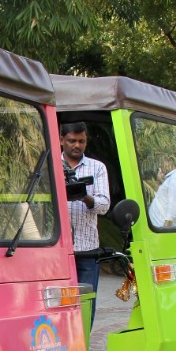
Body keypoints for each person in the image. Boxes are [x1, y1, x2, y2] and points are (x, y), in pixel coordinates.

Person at [60, 122, 110, 324]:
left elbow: (105, 205)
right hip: (57, 251)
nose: (77, 145)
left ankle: (83, 350)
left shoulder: (97, 168)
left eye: (82, 141)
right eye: (72, 140)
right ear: (61, 139)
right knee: (58, 306)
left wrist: (84, 197)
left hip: (87, 250)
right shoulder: (50, 164)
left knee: (85, 307)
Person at [147, 157, 176, 227]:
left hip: (159, 228)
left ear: (170, 163)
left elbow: (173, 208)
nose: (161, 166)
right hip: (155, 226)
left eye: (162, 163)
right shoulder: (173, 178)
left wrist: (164, 231)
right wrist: (160, 180)